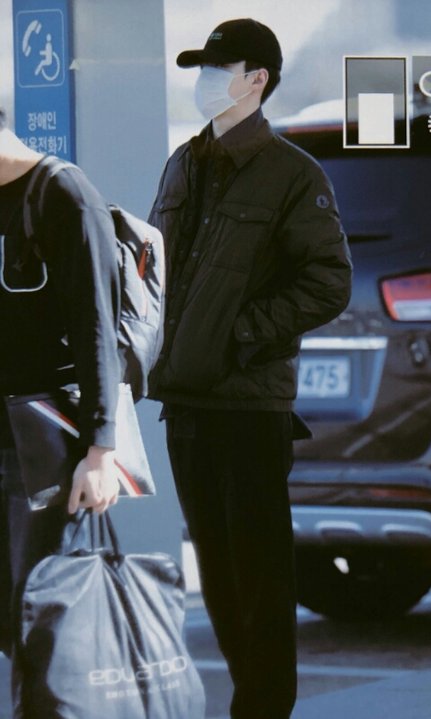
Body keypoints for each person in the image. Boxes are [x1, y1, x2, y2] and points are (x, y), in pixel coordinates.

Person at [148, 18, 352, 719]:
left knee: (259, 581)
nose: (205, 80)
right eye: (202, 68)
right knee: (219, 582)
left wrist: (241, 334)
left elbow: (328, 282)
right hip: (186, 402)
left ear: (256, 79)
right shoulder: (183, 162)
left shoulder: (293, 174)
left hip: (249, 404)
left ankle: (263, 709)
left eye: (219, 68)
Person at [0, 108, 121, 717]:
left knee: (40, 620)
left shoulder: (64, 194)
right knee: (10, 620)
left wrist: (101, 450)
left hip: (46, 442)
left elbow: (98, 327)